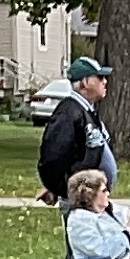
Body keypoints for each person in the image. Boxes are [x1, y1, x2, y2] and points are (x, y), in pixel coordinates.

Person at [37, 58, 116, 205]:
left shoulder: (86, 111)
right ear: (85, 82)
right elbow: (54, 157)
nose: (105, 81)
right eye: (100, 77)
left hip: (93, 198)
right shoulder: (68, 113)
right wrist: (60, 187)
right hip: (80, 199)